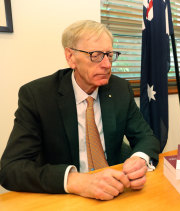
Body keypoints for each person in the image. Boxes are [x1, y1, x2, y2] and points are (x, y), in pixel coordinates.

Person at [0, 20, 160, 200]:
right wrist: (75, 181)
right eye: (96, 55)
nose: (107, 64)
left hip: (116, 190)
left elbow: (146, 137)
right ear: (70, 57)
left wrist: (139, 159)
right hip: (66, 199)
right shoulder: (37, 96)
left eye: (109, 54)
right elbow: (11, 168)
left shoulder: (119, 89)